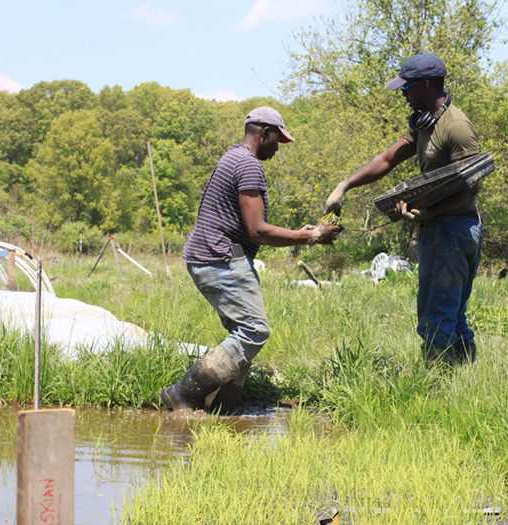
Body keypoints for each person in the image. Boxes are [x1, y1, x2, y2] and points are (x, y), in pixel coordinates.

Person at [161, 106, 341, 411]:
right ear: (265, 133)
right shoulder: (248, 166)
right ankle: (183, 395)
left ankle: (222, 408)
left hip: (210, 256)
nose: (277, 149)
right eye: (276, 142)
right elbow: (257, 230)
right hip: (220, 259)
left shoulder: (233, 159)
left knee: (243, 333)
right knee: (254, 331)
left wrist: (302, 233)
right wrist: (308, 236)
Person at [324, 53, 483, 365]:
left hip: (452, 230)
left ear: (425, 85)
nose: (403, 95)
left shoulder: (457, 127)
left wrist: (430, 214)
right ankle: (466, 383)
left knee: (436, 318)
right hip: (443, 229)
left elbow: (470, 185)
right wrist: (344, 186)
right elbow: (387, 160)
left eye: (407, 88)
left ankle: (437, 390)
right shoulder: (424, 123)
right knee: (453, 316)